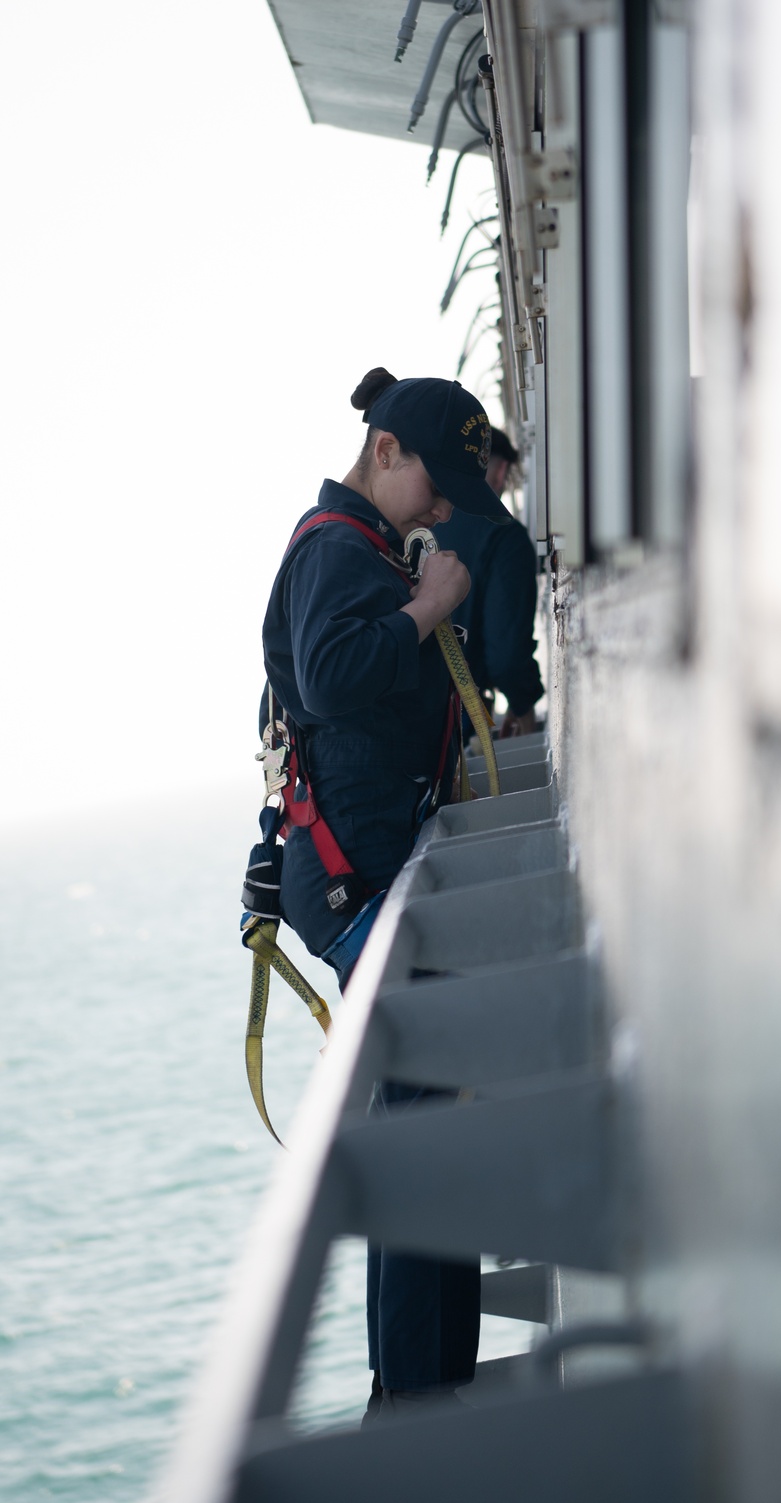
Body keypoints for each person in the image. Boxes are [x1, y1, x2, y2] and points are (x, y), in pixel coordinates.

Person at [258, 366, 511, 1419]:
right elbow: (326, 678)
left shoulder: (361, 547)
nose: (443, 507)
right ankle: (415, 1403)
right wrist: (432, 605)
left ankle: (419, 1388)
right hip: (353, 883)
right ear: (385, 451)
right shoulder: (333, 548)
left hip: (363, 875)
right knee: (422, 1133)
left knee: (426, 1125)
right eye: (435, 483)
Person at [434, 428, 544, 737]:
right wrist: (522, 704)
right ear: (500, 470)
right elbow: (507, 657)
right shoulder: (505, 538)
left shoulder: (421, 526)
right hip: (459, 723)